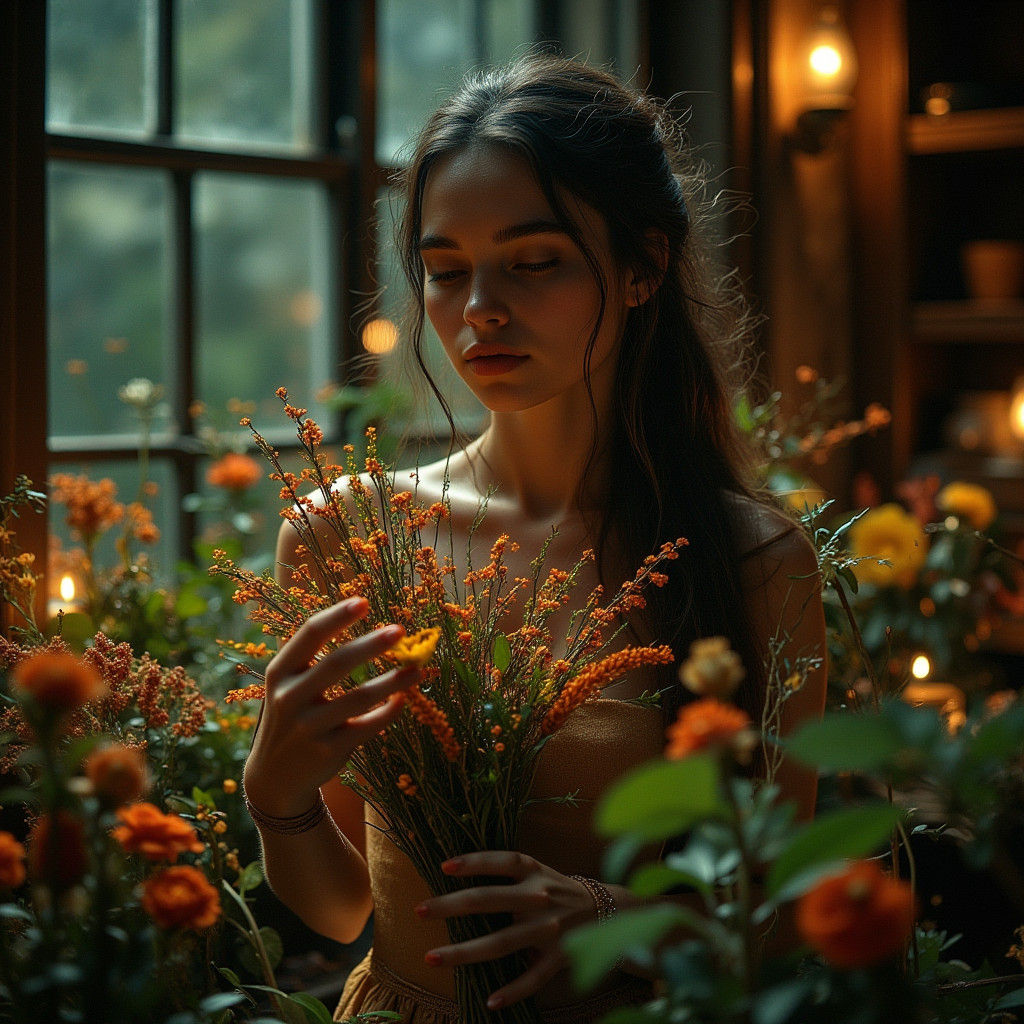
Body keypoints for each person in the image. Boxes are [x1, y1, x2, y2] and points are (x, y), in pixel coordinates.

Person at [241, 52, 827, 1024]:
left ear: (644, 266)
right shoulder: (349, 536)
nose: (479, 311)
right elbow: (343, 904)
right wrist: (275, 793)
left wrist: (607, 915)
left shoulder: (753, 564)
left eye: (535, 259)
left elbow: (785, 917)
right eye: (444, 271)